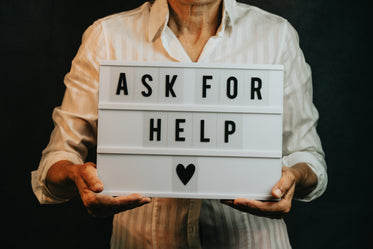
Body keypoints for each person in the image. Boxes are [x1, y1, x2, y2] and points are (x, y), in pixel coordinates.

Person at [31, 0, 328, 248]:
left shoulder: (276, 36)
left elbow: (308, 156)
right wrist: (75, 175)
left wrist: (294, 178)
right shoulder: (107, 36)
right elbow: (57, 160)